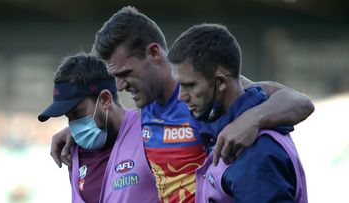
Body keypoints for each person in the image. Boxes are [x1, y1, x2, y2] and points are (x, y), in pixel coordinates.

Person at [51, 6, 314, 203]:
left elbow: (300, 102)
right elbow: (120, 122)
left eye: (126, 74)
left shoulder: (202, 93)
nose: (120, 86)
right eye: (115, 77)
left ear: (153, 54)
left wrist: (252, 119)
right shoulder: (146, 107)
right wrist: (76, 128)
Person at [168, 23, 307, 202]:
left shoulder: (256, 156)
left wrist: (253, 119)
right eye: (179, 85)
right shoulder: (220, 121)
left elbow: (304, 103)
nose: (181, 96)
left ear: (221, 82)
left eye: (190, 85)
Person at [38, 53, 159, 203]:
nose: (74, 125)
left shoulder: (148, 134)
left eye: (77, 113)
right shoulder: (74, 151)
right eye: (68, 117)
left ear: (105, 99)